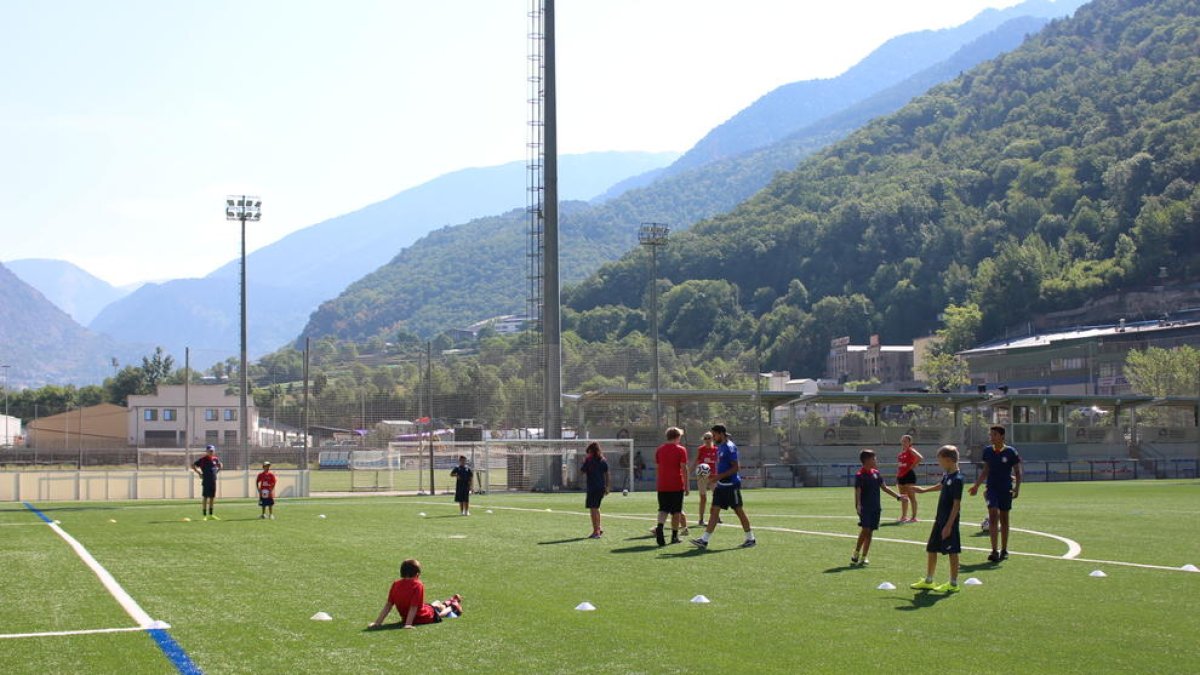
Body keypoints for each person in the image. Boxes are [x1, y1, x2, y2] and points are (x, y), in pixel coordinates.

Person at [691, 424, 756, 550]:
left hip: (731, 485)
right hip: (721, 485)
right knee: (714, 510)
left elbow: (736, 467)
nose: (713, 437)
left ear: (721, 434)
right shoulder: (720, 446)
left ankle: (750, 538)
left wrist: (719, 477)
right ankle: (704, 540)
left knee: (739, 511)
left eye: (714, 435)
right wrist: (714, 476)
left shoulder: (729, 447)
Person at [909, 445, 964, 594]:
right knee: (931, 548)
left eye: (940, 461)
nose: (939, 464)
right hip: (939, 519)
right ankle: (929, 581)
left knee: (953, 551)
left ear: (948, 460)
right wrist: (924, 490)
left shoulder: (957, 479)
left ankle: (953, 583)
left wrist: (949, 525)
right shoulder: (948, 476)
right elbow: (941, 485)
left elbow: (956, 504)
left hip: (949, 522)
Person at [969, 425, 1023, 561]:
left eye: (994, 435)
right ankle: (994, 551)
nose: (991, 437)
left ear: (1002, 436)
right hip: (991, 488)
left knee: (1004, 518)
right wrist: (976, 486)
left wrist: (1017, 488)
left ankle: (1004, 549)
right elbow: (985, 470)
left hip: (1006, 489)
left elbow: (1017, 471)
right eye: (990, 435)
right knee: (993, 514)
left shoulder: (1011, 452)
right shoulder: (987, 451)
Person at [368, 559, 462, 630]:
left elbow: (388, 605)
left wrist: (377, 622)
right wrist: (408, 624)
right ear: (417, 574)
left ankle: (448, 602)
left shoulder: (396, 584)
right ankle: (452, 606)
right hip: (423, 617)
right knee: (440, 613)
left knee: (436, 604)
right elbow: (413, 607)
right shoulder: (418, 585)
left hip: (409, 616)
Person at [852, 449, 906, 565]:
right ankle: (856, 551)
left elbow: (884, 488)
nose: (875, 460)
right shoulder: (860, 475)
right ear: (866, 460)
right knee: (865, 529)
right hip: (865, 507)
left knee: (870, 531)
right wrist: (858, 505)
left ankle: (864, 556)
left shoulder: (876, 473)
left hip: (876, 507)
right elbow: (858, 491)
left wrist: (898, 496)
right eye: (873, 458)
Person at [653, 427, 690, 546]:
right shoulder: (681, 450)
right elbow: (684, 468)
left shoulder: (659, 450)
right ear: (677, 437)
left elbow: (658, 468)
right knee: (676, 512)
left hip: (662, 485)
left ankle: (660, 527)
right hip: (676, 484)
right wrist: (687, 485)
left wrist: (660, 482)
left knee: (663, 509)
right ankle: (674, 536)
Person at [580, 442, 610, 538]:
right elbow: (607, 474)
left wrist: (584, 462)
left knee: (593, 509)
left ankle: (596, 531)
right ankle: (599, 528)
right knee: (596, 508)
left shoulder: (589, 461)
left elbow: (581, 472)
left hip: (593, 488)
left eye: (588, 452)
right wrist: (607, 486)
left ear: (591, 451)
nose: (587, 454)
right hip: (601, 487)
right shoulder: (603, 460)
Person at [693, 432, 719, 527]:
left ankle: (716, 517)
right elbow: (696, 460)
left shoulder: (716, 449)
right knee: (703, 498)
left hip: (713, 477)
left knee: (717, 497)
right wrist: (689, 472)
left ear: (713, 439)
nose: (707, 440)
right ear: (703, 439)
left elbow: (719, 462)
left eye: (709, 438)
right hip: (702, 477)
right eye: (706, 438)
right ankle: (701, 519)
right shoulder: (701, 449)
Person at [896, 435, 924, 523]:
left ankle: (913, 517)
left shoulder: (911, 450)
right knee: (903, 497)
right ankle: (904, 516)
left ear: (909, 443)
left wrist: (913, 465)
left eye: (906, 441)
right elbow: (900, 466)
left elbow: (920, 457)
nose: (904, 442)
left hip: (909, 475)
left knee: (911, 496)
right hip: (901, 476)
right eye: (903, 441)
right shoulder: (900, 453)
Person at [192, 445, 222, 521]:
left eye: (212, 451)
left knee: (212, 497)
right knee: (205, 497)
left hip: (213, 481)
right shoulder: (203, 459)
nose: (211, 452)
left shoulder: (215, 459)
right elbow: (193, 465)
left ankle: (211, 515)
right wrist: (199, 473)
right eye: (209, 451)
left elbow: (219, 465)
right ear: (207, 451)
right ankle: (204, 515)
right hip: (206, 480)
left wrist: (218, 469)